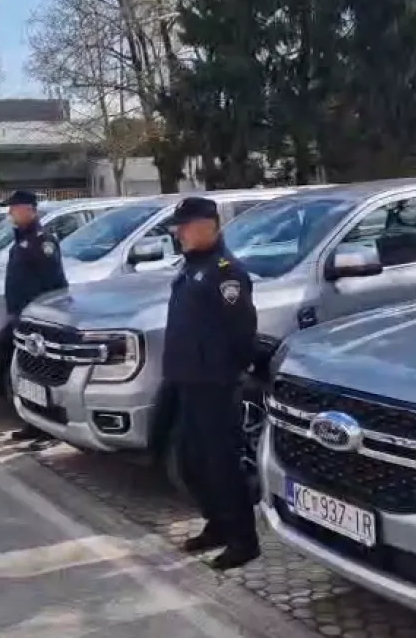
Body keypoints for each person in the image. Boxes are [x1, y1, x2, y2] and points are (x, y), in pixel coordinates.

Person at [162, 196, 260, 570]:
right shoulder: (193, 266)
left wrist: (228, 373)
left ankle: (243, 540)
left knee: (222, 463)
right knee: (193, 461)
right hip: (187, 378)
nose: (179, 234)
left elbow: (242, 331)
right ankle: (217, 523)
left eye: (185, 227)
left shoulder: (225, 272)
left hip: (214, 383)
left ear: (208, 226)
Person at [3, 190, 66, 450]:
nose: (10, 213)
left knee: (43, 375)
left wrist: (45, 318)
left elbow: (53, 284)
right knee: (27, 374)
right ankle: (33, 422)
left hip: (39, 321)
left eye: (14, 209)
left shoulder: (43, 241)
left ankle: (49, 430)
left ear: (29, 210)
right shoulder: (23, 240)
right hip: (23, 318)